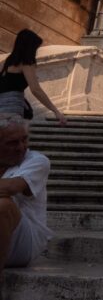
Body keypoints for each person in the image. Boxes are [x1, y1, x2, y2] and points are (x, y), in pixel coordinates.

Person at [0, 114, 53, 274]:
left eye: (24, 140)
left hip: (23, 243)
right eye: (13, 143)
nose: (21, 147)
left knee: (3, 205)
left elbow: (9, 188)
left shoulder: (37, 161)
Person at [0, 30, 67, 125]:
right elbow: (35, 90)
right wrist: (55, 111)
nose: (36, 52)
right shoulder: (26, 64)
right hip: (11, 114)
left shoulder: (5, 63)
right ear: (29, 47)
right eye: (35, 48)